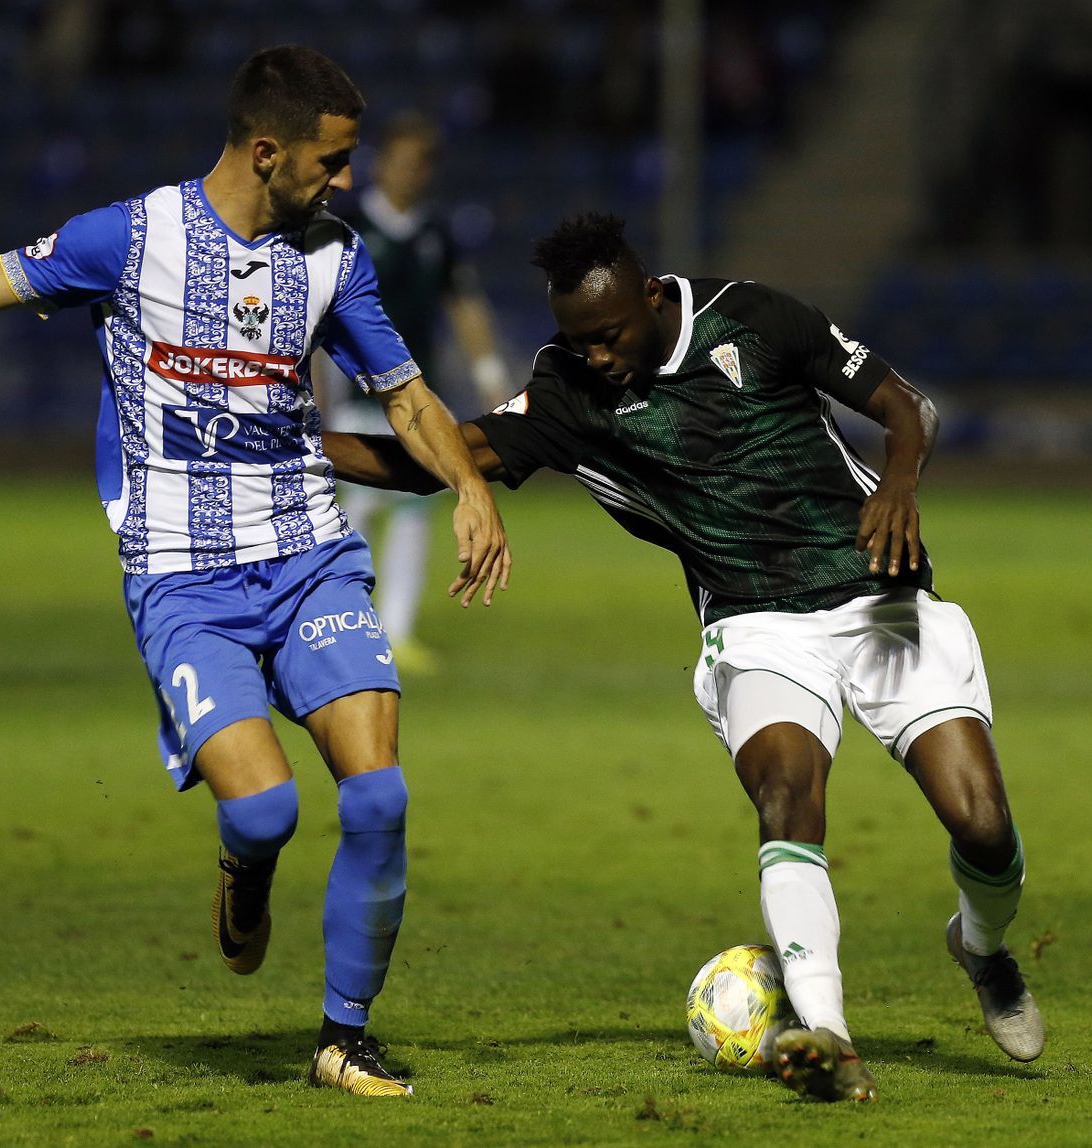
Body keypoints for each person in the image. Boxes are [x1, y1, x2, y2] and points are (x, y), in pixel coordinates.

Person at [0, 44, 511, 1100]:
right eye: (330, 164)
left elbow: (408, 393)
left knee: (378, 794)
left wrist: (469, 486)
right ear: (265, 150)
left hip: (307, 556)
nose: (344, 184)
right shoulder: (130, 237)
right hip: (181, 580)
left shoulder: (334, 256)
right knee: (264, 814)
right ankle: (244, 867)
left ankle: (344, 1036)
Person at [321, 213, 1043, 1103]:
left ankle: (980, 946)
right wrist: (305, 449)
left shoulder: (756, 320)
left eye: (609, 335)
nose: (595, 356)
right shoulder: (569, 390)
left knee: (981, 824)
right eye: (576, 341)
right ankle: (828, 1036)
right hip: (755, 623)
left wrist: (899, 482)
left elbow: (907, 407)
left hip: (881, 598)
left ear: (653, 299)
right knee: (787, 794)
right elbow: (449, 454)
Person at [322, 111, 510, 674]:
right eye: (399, 159)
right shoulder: (346, 226)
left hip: (412, 392)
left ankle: (394, 630)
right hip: (352, 388)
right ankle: (341, 617)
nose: (407, 171)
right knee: (355, 503)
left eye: (418, 162)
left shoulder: (436, 233)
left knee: (409, 508)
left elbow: (464, 304)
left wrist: (488, 371)